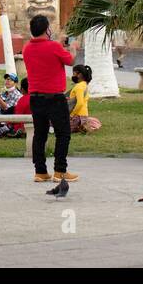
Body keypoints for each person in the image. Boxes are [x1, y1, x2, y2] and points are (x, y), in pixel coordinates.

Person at [22, 14, 75, 184]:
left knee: (40, 134)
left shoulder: (27, 48)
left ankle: (40, 171)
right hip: (55, 97)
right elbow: (70, 61)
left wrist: (58, 44)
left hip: (36, 98)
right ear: (47, 29)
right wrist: (73, 48)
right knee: (63, 133)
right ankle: (60, 170)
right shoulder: (54, 47)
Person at [68, 64, 101, 133]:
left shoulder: (79, 87)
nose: (73, 76)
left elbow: (80, 103)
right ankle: (83, 125)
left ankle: (80, 126)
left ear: (79, 75)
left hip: (77, 117)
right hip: (83, 116)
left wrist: (71, 115)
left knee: (56, 125)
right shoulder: (84, 85)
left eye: (74, 73)